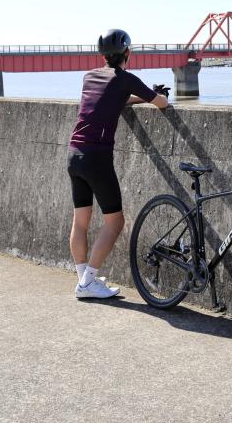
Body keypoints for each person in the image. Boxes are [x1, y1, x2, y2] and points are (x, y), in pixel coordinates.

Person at [67, 29, 169, 299]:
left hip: (74, 153)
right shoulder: (126, 78)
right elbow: (162, 103)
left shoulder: (89, 76)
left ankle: (83, 280)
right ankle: (88, 283)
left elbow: (111, 99)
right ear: (128, 53)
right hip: (97, 158)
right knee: (115, 222)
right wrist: (155, 94)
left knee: (80, 221)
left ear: (103, 54)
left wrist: (135, 96)